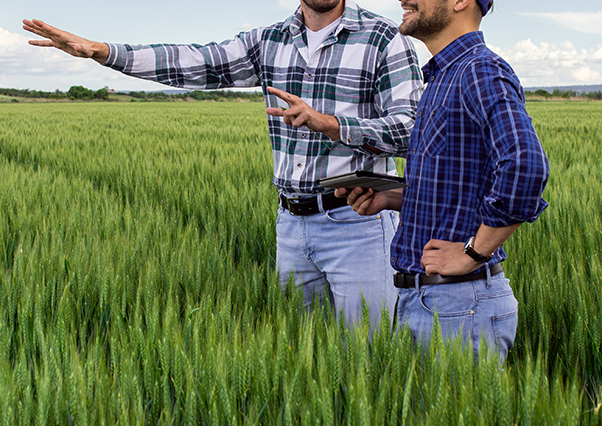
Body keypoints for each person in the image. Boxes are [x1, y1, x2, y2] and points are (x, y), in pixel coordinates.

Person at [23, 1, 422, 330]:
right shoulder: (269, 40)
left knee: (370, 360)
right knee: (302, 358)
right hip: (291, 226)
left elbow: (411, 129)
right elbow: (195, 62)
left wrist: (331, 125)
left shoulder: (383, 38)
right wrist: (104, 52)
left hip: (357, 224)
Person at [340, 0, 549, 360]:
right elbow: (455, 184)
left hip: (459, 305)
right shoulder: (443, 79)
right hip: (428, 301)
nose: (403, 0)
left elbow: (526, 166)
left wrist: (472, 252)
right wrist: (390, 198)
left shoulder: (480, 70)